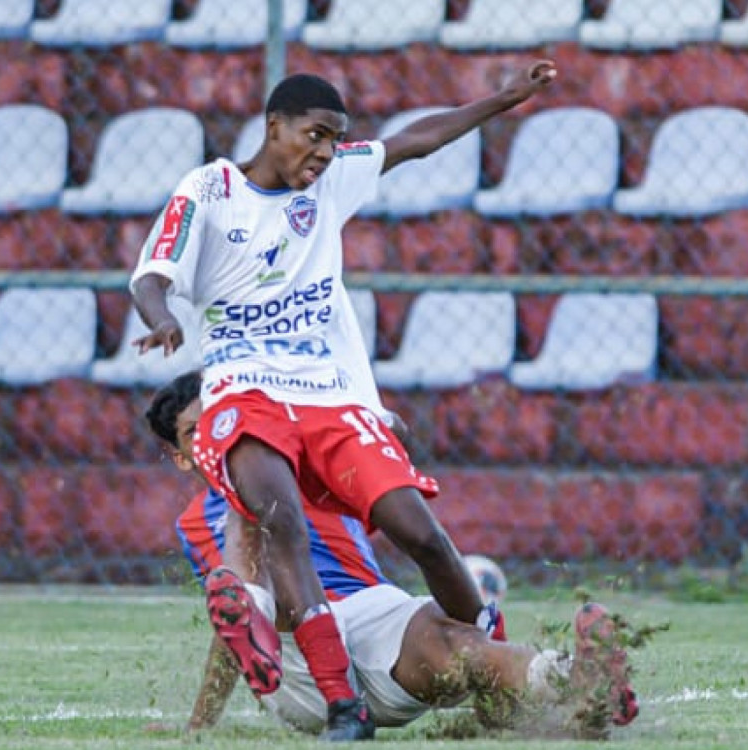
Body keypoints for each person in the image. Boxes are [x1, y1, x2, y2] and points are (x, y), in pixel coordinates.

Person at [130, 62, 559, 740]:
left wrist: (504, 99)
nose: (326, 152)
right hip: (248, 392)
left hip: (330, 401)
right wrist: (161, 316)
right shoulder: (209, 189)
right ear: (275, 127)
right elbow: (153, 272)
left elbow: (416, 140)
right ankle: (343, 707)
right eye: (315, 135)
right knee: (281, 525)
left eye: (335, 139)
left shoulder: (330, 184)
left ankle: (497, 669)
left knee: (424, 535)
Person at [144, 371, 638, 738]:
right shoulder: (197, 523)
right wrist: (199, 725)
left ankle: (580, 684)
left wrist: (381, 431)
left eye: (225, 422)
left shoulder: (312, 465)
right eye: (200, 432)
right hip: (292, 656)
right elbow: (227, 628)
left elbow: (384, 459)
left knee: (460, 648)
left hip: (370, 615)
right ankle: (259, 609)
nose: (222, 439)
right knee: (250, 514)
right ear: (182, 456)